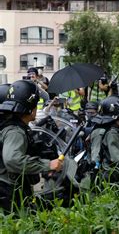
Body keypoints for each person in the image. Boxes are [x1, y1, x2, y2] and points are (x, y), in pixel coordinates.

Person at [0, 80, 63, 211]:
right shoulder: (15, 132)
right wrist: (48, 165)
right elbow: (12, 159)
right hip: (8, 192)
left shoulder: (12, 127)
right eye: (36, 105)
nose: (37, 109)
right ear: (29, 108)